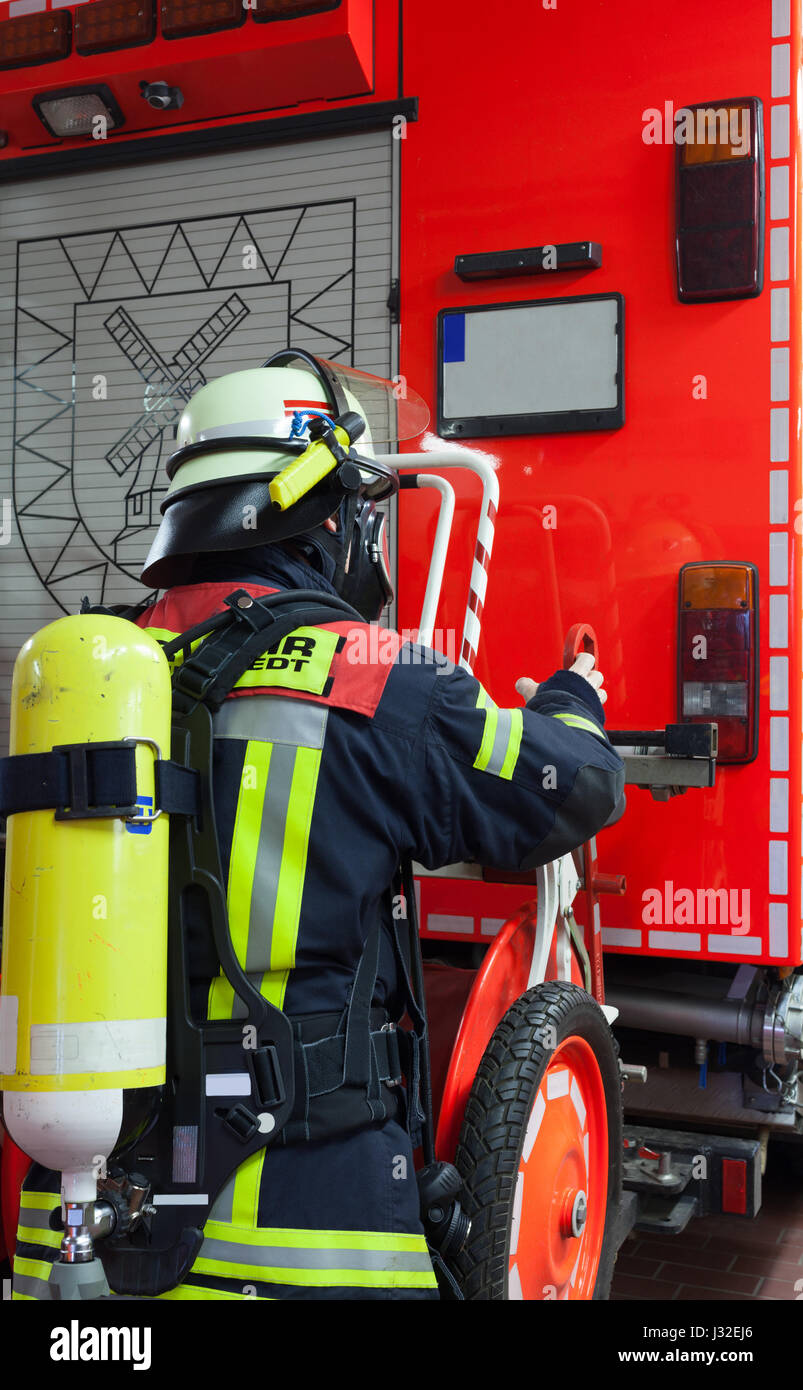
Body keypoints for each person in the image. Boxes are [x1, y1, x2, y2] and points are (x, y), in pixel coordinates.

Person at [11, 353, 624, 1301]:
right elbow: (570, 786)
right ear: (324, 514)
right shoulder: (373, 672)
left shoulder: (99, 676)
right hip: (305, 1235)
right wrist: (572, 699)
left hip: (79, 1235)